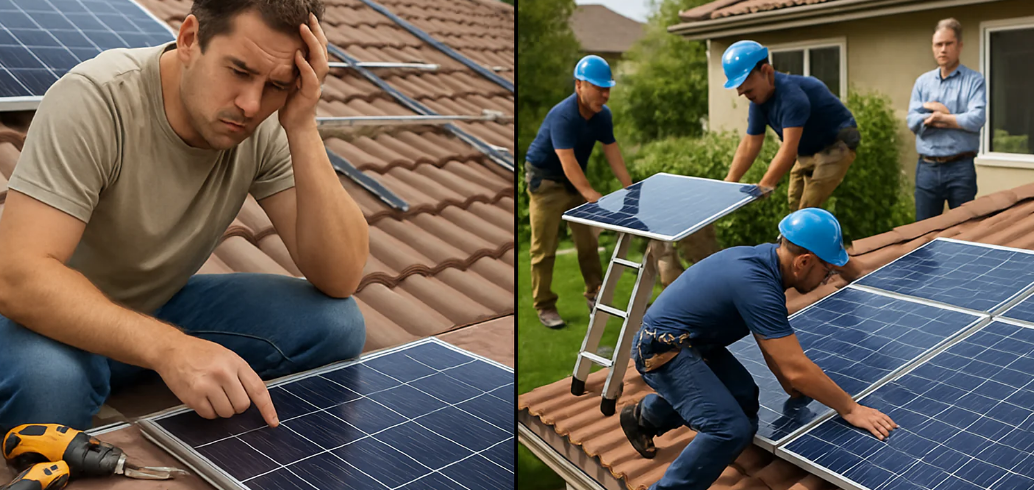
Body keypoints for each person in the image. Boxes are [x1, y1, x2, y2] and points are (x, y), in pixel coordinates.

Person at [0, 0, 369, 432]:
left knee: (337, 324)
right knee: (49, 388)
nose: (250, 104)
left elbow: (340, 276)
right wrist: (170, 349)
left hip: (156, 306)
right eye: (240, 71)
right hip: (45, 322)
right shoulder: (96, 99)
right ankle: (105, 373)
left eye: (276, 84)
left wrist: (302, 124)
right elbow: (18, 277)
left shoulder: (269, 121)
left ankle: (123, 370)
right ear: (190, 39)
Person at [619, 208, 897, 490]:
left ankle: (644, 417)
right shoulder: (758, 286)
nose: (829, 278)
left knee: (745, 401)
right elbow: (796, 368)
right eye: (827, 271)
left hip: (695, 343)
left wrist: (788, 382)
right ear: (803, 262)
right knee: (730, 430)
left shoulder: (766, 262)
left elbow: (773, 349)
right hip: (662, 349)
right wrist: (850, 409)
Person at [524, 55, 632, 329]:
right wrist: (590, 193)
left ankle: (595, 294)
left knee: (588, 244)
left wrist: (629, 187)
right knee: (544, 249)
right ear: (579, 86)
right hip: (545, 183)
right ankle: (545, 305)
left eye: (607, 88)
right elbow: (567, 160)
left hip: (574, 181)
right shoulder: (564, 115)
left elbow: (613, 152)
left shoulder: (602, 116)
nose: (605, 95)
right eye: (599, 88)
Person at [723, 40, 860, 211]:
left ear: (766, 71)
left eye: (748, 90)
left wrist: (765, 185)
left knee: (808, 206)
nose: (742, 94)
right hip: (808, 147)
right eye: (740, 91)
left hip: (837, 144)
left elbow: (789, 149)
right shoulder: (759, 101)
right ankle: (792, 236)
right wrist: (728, 184)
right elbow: (751, 143)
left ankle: (809, 234)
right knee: (794, 203)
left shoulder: (792, 96)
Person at [907, 18, 986, 221]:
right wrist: (947, 117)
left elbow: (976, 118)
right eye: (938, 44)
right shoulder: (923, 82)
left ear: (959, 46)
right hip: (927, 169)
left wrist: (943, 115)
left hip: (960, 168)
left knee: (965, 230)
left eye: (948, 44)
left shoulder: (974, 81)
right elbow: (912, 120)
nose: (942, 49)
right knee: (923, 232)